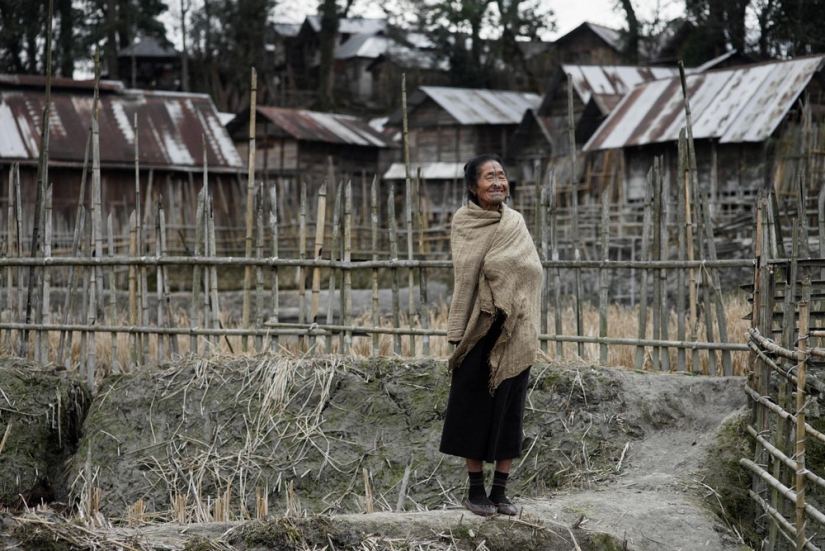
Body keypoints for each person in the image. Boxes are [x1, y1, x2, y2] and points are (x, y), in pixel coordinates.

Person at [440, 153, 543, 517]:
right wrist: (497, 272)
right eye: (489, 177)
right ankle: (475, 492)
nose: (498, 182)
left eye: (501, 175)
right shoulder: (464, 222)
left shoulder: (516, 222)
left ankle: (500, 492)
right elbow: (469, 270)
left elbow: (532, 270)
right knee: (473, 409)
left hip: (515, 331)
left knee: (508, 412)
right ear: (473, 187)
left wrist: (507, 280)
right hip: (477, 329)